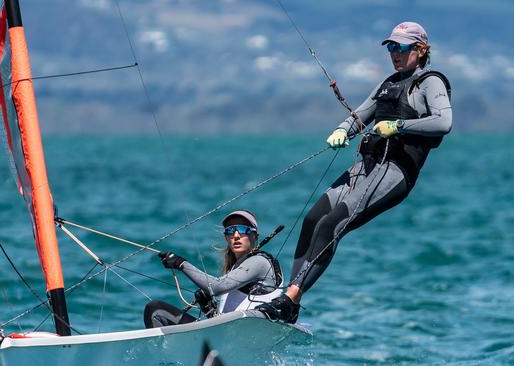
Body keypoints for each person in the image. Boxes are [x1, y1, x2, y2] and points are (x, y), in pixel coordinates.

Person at [256, 21, 452, 323]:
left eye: (400, 47)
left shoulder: (430, 83)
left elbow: (443, 122)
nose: (394, 53)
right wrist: (342, 129)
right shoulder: (389, 83)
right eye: (391, 47)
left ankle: (291, 297)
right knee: (312, 219)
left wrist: (398, 126)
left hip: (395, 172)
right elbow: (361, 114)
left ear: (420, 49)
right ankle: (288, 299)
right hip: (366, 166)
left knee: (331, 225)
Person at [144, 210, 283, 328]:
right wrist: (209, 308)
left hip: (242, 338)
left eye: (242, 230)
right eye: (230, 231)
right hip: (230, 338)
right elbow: (224, 318)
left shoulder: (259, 262)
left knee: (155, 310)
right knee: (156, 311)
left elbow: (217, 287)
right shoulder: (236, 269)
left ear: (255, 235)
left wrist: (181, 264)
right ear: (226, 237)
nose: (236, 235)